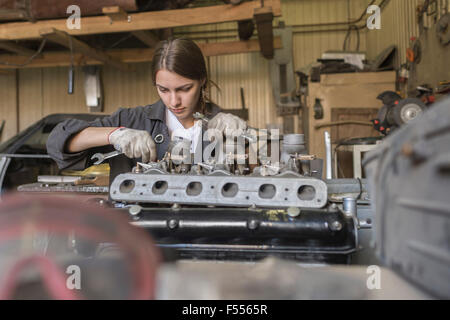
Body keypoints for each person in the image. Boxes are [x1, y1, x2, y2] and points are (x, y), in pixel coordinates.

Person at [46, 38, 247, 183]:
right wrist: (115, 134)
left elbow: (262, 169)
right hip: (139, 234)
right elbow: (57, 142)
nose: (174, 101)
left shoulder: (224, 126)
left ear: (202, 79)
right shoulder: (133, 120)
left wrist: (244, 139)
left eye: (184, 89)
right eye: (163, 90)